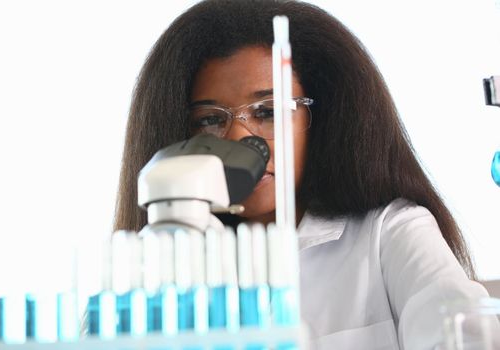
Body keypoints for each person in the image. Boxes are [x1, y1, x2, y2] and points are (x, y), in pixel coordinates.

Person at [114, 0, 490, 348]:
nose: (240, 141)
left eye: (268, 112)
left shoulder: (389, 235)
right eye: (210, 120)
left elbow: (467, 335)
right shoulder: (166, 256)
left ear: (320, 119)